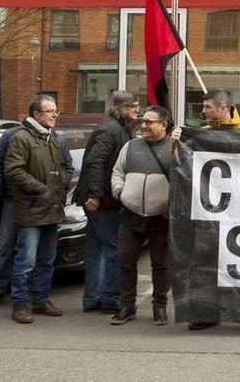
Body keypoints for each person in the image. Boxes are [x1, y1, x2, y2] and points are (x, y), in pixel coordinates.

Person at [172, 90, 240, 334]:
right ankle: (207, 313)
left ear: (222, 108)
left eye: (207, 107)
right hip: (210, 212)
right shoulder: (202, 135)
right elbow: (181, 168)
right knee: (206, 264)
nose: (203, 111)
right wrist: (176, 144)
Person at [4, 95, 73, 324]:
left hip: (51, 209)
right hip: (32, 209)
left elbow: (64, 166)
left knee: (46, 260)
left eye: (56, 111)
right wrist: (42, 189)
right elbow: (13, 170)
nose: (55, 115)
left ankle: (40, 299)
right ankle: (20, 304)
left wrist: (61, 185)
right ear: (36, 114)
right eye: (49, 111)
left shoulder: (51, 137)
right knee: (26, 261)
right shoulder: (21, 138)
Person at [73, 91, 139, 313]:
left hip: (103, 199)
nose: (136, 111)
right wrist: (94, 195)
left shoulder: (117, 128)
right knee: (112, 249)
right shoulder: (109, 129)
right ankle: (109, 298)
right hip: (103, 201)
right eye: (132, 107)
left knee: (96, 249)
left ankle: (92, 298)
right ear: (119, 108)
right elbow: (95, 162)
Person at [109, 105, 173, 326]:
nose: (143, 125)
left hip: (161, 217)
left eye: (149, 122)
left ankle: (160, 307)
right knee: (126, 261)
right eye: (143, 121)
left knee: (161, 264)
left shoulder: (175, 148)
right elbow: (117, 172)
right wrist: (120, 192)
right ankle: (127, 307)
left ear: (163, 125)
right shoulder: (130, 146)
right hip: (131, 215)